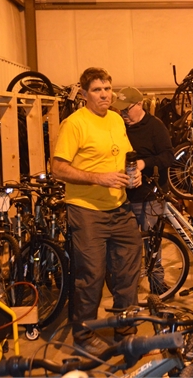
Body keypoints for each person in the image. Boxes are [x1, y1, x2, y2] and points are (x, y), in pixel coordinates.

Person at [52, 67, 143, 356]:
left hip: (120, 208)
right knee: (91, 275)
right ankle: (83, 335)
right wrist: (98, 178)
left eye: (107, 89)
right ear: (84, 94)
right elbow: (57, 168)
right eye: (97, 90)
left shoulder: (116, 119)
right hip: (87, 211)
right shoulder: (74, 124)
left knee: (128, 272)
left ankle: (125, 330)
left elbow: (128, 155)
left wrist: (136, 171)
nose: (104, 95)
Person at [111, 87, 174, 293]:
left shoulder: (155, 127)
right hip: (123, 197)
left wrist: (143, 164)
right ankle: (129, 285)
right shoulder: (118, 127)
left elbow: (168, 157)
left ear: (139, 104)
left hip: (150, 198)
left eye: (127, 109)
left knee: (152, 244)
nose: (123, 114)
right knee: (127, 246)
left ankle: (156, 284)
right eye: (120, 110)